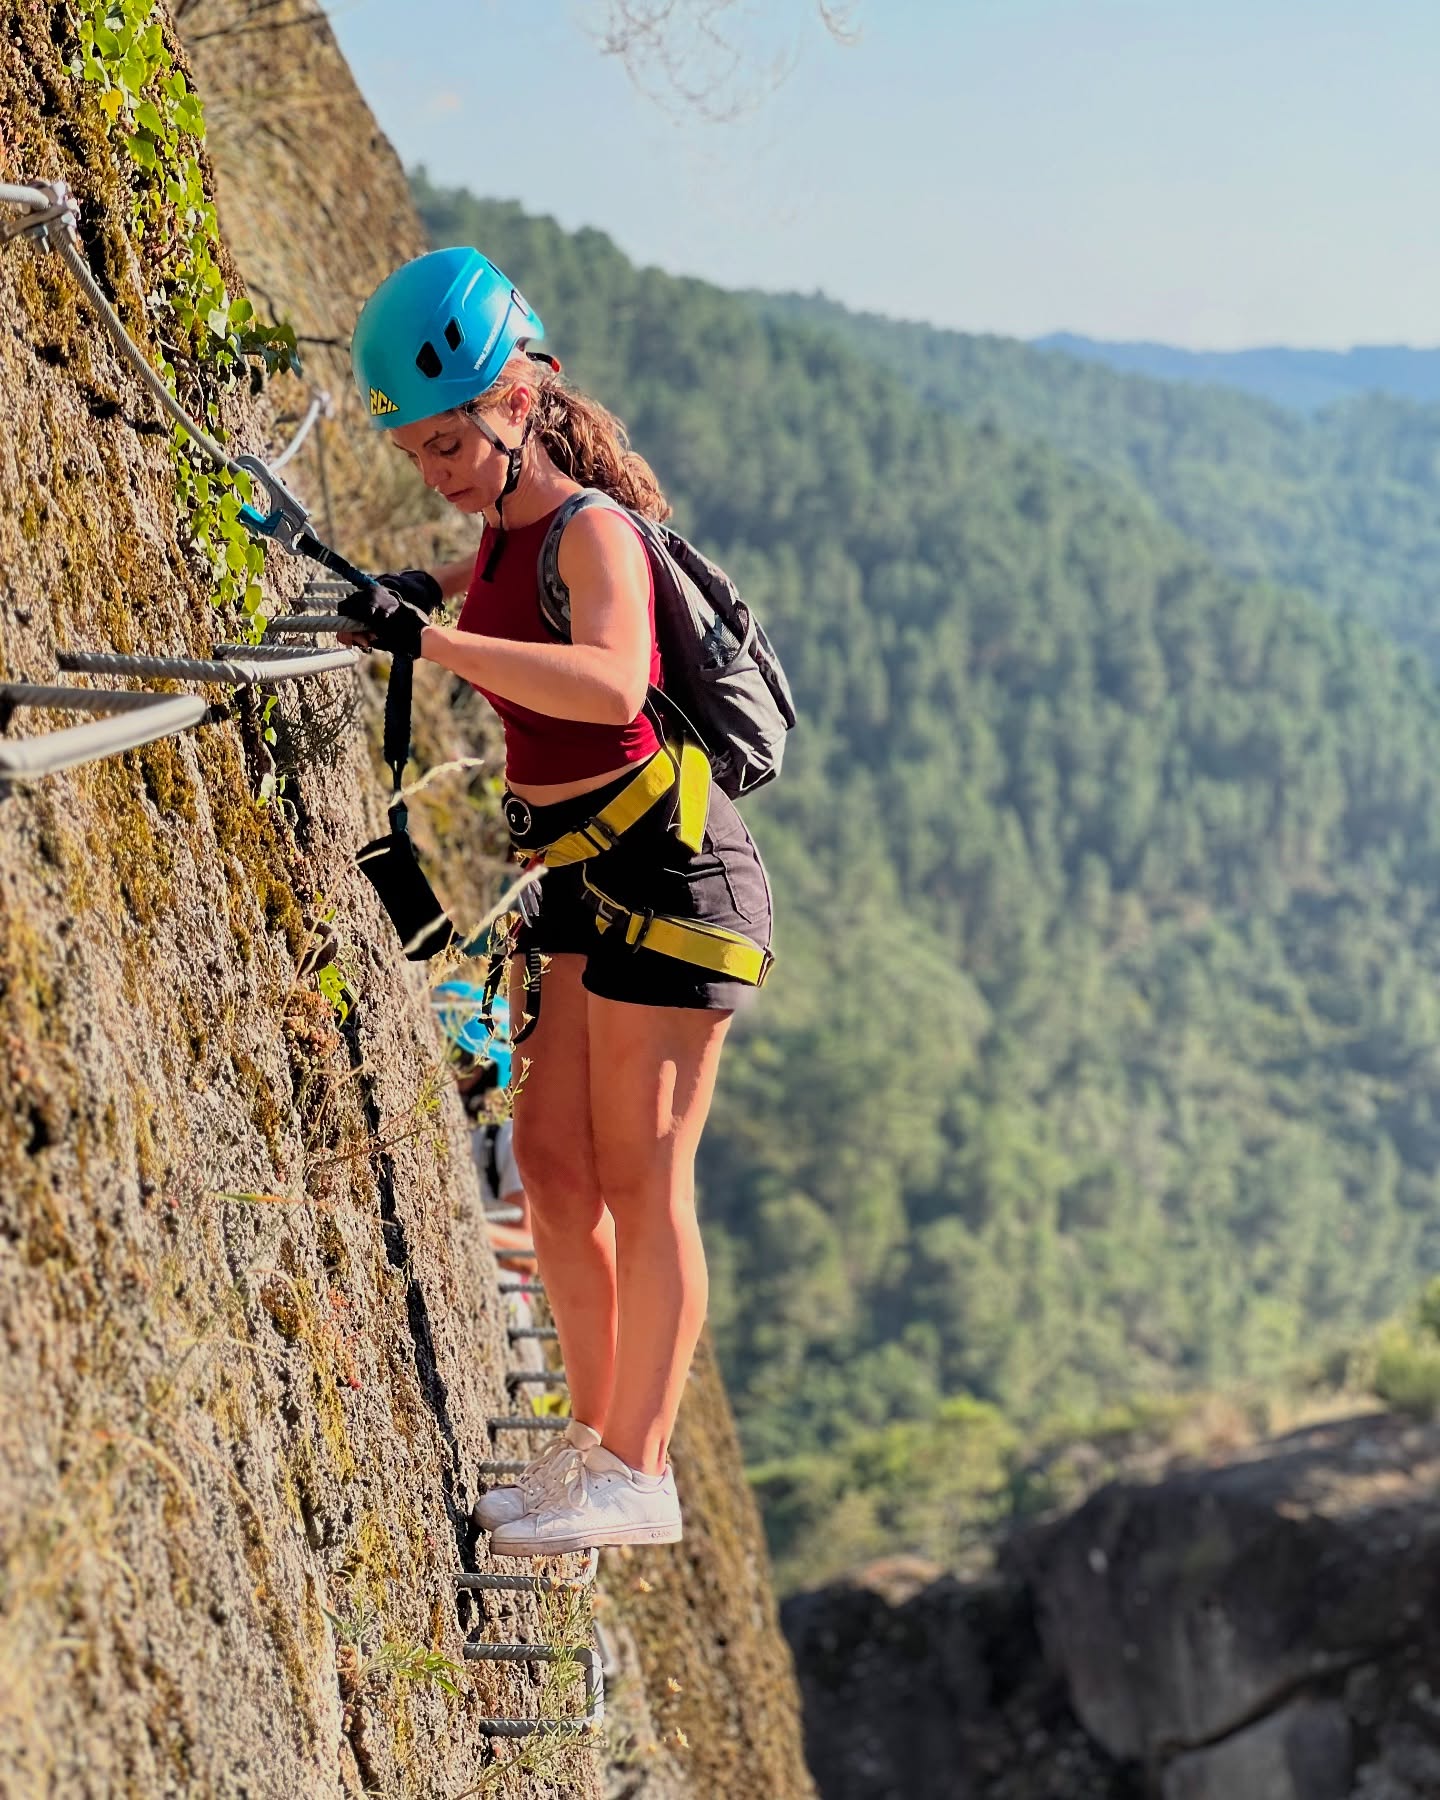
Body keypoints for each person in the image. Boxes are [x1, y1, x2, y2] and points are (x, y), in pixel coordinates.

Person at [339, 248, 774, 1556]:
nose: (438, 469)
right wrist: (422, 595)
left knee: (644, 1175)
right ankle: (593, 1443)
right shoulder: (505, 532)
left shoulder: (594, 530)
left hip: (671, 876)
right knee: (552, 1165)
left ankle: (641, 1470)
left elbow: (607, 680)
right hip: (581, 881)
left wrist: (431, 641)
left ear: (518, 401)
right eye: (417, 451)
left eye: (450, 441)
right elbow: (501, 608)